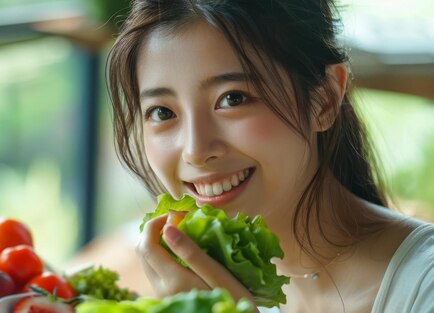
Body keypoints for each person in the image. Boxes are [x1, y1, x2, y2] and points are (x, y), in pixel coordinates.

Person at [105, 0, 434, 312]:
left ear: (324, 100)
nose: (195, 151)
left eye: (233, 99)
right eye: (162, 112)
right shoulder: (185, 287)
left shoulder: (423, 285)